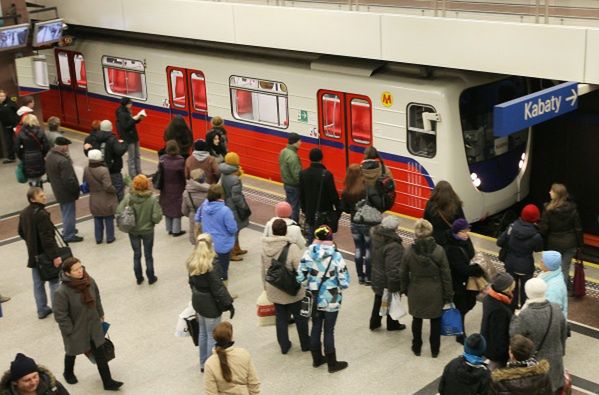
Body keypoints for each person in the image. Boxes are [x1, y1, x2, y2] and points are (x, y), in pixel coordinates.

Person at [53, 257, 123, 391]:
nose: (80, 271)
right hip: (76, 328)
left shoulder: (89, 281)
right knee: (72, 351)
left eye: (81, 268)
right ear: (67, 273)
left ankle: (108, 382)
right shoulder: (62, 292)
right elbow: (60, 315)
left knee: (100, 352)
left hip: (93, 325)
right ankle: (68, 372)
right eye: (76, 270)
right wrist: (70, 331)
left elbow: (97, 298)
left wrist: (100, 314)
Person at [297, 225, 350, 373]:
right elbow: (344, 281)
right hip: (332, 298)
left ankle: (317, 359)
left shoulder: (308, 254)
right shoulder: (336, 256)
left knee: (315, 326)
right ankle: (332, 364)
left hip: (314, 298)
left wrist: (310, 284)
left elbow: (300, 277)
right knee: (329, 330)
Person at [400, 219, 453, 358]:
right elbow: (446, 275)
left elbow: (403, 273)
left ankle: (416, 347)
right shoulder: (439, 251)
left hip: (415, 289)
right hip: (436, 290)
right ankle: (435, 350)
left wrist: (405, 289)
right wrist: (448, 294)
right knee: (435, 320)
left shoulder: (409, 252)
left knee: (417, 319)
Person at [510, 278, 567, 393]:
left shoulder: (525, 315)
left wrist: (516, 317)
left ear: (527, 292)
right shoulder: (556, 308)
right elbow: (563, 333)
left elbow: (514, 336)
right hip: (556, 363)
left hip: (535, 367)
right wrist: (561, 352)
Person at [188, 234, 235, 373]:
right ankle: (211, 365)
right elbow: (218, 288)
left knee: (202, 333)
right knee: (211, 334)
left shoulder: (192, 262)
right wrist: (228, 303)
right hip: (210, 304)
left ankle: (203, 363)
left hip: (198, 301)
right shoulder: (212, 264)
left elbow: (190, 283)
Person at [261, 219, 309, 354]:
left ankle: (284, 345)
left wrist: (265, 287)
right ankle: (305, 343)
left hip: (274, 287)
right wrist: (304, 285)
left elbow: (263, 269)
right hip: (291, 290)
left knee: (281, 318)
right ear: (286, 231)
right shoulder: (291, 247)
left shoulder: (264, 247)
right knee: (300, 318)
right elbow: (299, 269)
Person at [18, 187, 61, 319]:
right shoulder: (41, 214)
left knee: (38, 284)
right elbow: (47, 238)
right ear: (32, 199)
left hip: (33, 255)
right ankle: (57, 310)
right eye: (41, 196)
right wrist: (55, 256)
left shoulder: (24, 213)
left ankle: (41, 309)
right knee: (54, 281)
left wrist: (31, 242)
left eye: (44, 195)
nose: (44, 197)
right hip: (46, 255)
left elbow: (20, 232)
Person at [444, 218, 485, 344]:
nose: (466, 233)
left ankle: (455, 322)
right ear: (456, 232)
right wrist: (477, 269)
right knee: (461, 307)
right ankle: (460, 334)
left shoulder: (466, 241)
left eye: (467, 230)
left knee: (471, 303)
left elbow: (472, 255)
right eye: (463, 231)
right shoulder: (451, 248)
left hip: (468, 280)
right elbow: (461, 268)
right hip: (458, 282)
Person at [116, 175, 162, 285]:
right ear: (147, 185)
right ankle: (151, 277)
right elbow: (157, 217)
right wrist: (152, 222)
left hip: (133, 231)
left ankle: (139, 278)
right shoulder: (151, 199)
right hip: (148, 231)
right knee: (148, 254)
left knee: (136, 254)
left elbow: (119, 210)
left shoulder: (128, 197)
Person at [538, 183, 583, 294]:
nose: (549, 192)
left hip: (554, 243)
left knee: (552, 267)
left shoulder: (548, 209)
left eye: (551, 191)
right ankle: (562, 290)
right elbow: (578, 228)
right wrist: (580, 245)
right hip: (570, 243)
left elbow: (543, 229)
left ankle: (554, 290)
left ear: (556, 194)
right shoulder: (573, 209)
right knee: (565, 268)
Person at [497, 204, 544, 309]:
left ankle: (511, 311)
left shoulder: (512, 227)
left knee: (511, 289)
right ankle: (523, 311)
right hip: (526, 266)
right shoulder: (536, 236)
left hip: (510, 264)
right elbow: (538, 249)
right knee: (526, 291)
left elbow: (499, 242)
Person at [369, 215, 406, 331]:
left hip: (377, 275)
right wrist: (396, 285)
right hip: (387, 279)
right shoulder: (394, 245)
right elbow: (393, 268)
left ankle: (374, 323)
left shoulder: (376, 237)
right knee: (392, 300)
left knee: (379, 299)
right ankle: (392, 324)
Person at [195, 184, 237, 283]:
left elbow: (197, 217)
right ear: (221, 196)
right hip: (222, 245)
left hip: (207, 243)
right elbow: (232, 229)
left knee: (210, 269)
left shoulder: (204, 205)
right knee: (223, 272)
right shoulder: (225, 211)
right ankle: (223, 293)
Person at [204, 322, 260, 394]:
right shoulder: (243, 354)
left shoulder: (209, 363)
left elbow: (211, 392)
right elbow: (253, 382)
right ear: (231, 336)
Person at [45, 136, 83, 243]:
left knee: (65, 211)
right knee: (69, 213)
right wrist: (76, 189)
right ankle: (69, 235)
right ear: (63, 147)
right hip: (66, 191)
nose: (67, 148)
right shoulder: (63, 161)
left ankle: (68, 229)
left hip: (57, 189)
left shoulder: (49, 156)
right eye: (67, 146)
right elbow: (68, 180)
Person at [299, 148, 340, 244]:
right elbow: (333, 195)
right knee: (325, 239)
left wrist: (305, 210)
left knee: (311, 237)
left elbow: (301, 195)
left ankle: (311, 253)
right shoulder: (327, 174)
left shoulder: (303, 174)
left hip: (310, 213)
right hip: (324, 215)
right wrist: (338, 210)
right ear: (321, 158)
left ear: (309, 158)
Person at [340, 163, 372, 284]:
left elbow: (345, 208)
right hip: (367, 222)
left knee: (358, 248)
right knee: (369, 249)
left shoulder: (346, 191)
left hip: (354, 223)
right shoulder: (366, 189)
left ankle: (360, 276)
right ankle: (369, 277)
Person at [83, 120, 128, 201]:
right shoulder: (113, 139)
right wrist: (124, 144)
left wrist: (87, 149)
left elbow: (92, 154)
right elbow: (119, 151)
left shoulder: (94, 138)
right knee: (118, 193)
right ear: (110, 128)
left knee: (103, 193)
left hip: (99, 171)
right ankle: (118, 210)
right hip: (114, 171)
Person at [219, 152, 251, 261]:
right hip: (233, 207)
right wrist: (244, 206)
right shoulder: (235, 178)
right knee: (233, 229)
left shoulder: (224, 173)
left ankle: (237, 248)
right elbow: (236, 197)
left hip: (226, 203)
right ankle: (232, 253)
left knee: (235, 229)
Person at [480, 272, 515, 370]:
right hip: (497, 352)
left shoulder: (490, 297)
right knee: (495, 373)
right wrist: (504, 354)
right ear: (506, 287)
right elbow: (498, 335)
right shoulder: (499, 310)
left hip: (488, 343)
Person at [83, 149, 117, 244]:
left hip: (93, 197)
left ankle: (98, 238)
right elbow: (107, 186)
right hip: (105, 197)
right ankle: (110, 237)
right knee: (108, 217)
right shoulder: (103, 170)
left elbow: (85, 182)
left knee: (97, 218)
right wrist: (114, 190)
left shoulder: (86, 169)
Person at [0, 353, 69, 395]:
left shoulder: (52, 386)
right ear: (15, 382)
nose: (33, 382)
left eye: (35, 376)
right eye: (27, 380)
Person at [423, 180, 465, 246]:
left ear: (436, 191)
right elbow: (462, 223)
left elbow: (425, 223)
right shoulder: (456, 205)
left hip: (435, 241)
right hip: (452, 241)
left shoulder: (430, 204)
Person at [159, 140, 186, 237]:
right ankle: (176, 230)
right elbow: (184, 176)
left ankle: (169, 228)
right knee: (176, 208)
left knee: (167, 207)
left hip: (165, 186)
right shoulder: (180, 161)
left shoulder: (162, 159)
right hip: (178, 186)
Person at [14, 114, 49, 187]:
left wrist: (22, 156)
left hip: (26, 157)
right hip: (39, 156)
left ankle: (33, 193)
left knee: (31, 178)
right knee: (39, 176)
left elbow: (17, 148)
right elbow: (46, 146)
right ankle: (40, 191)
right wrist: (42, 154)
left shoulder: (21, 132)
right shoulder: (40, 131)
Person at [115, 97, 144, 177]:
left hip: (134, 136)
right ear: (126, 104)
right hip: (128, 138)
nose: (131, 105)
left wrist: (138, 119)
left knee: (137, 155)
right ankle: (133, 175)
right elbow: (125, 126)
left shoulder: (127, 111)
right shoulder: (121, 114)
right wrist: (134, 119)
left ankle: (139, 172)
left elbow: (131, 121)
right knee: (131, 157)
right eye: (130, 103)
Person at [181, 168, 210, 244]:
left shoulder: (186, 193)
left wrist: (192, 213)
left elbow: (184, 210)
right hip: (208, 218)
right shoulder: (210, 191)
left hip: (194, 218)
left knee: (197, 242)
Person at [278, 132, 302, 222]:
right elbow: (297, 175)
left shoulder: (283, 152)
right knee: (294, 208)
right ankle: (293, 224)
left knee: (288, 205)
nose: (301, 143)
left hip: (286, 184)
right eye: (300, 141)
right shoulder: (293, 156)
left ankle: (286, 222)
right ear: (295, 142)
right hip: (294, 186)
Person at [538, 250, 568, 318]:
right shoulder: (550, 273)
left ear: (547, 265)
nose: (540, 261)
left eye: (542, 260)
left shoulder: (553, 289)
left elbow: (551, 315)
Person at [0, 89, 19, 163]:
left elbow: (17, 111)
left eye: (2, 96)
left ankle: (22, 153)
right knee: (8, 141)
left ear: (5, 95)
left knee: (18, 139)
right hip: (6, 126)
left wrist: (17, 122)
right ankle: (11, 157)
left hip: (15, 125)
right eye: (0, 96)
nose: (1, 97)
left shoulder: (11, 102)